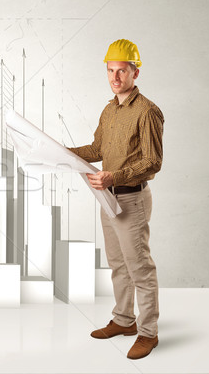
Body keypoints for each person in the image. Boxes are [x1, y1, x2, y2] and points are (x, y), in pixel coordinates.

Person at [68, 39, 164, 360]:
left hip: (131, 199)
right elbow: (97, 150)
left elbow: (153, 161)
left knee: (140, 267)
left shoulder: (148, 112)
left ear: (135, 72)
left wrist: (114, 176)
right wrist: (64, 152)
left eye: (122, 70)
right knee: (118, 264)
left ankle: (148, 333)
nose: (115, 77)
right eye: (111, 70)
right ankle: (124, 320)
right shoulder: (109, 109)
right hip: (107, 198)